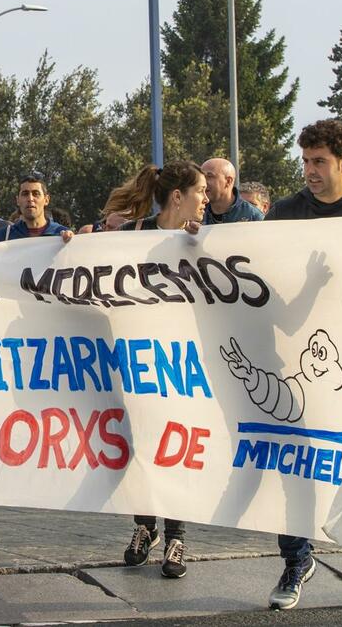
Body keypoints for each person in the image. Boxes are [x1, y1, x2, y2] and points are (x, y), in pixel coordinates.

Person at [260, 120, 342, 610]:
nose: (310, 171)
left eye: (319, 161)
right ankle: (296, 562)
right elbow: (258, 268)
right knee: (293, 467)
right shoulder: (286, 212)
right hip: (295, 357)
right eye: (306, 161)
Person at [112, 161, 205, 579]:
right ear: (178, 197)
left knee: (177, 449)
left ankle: (176, 537)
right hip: (137, 361)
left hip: (184, 364)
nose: (205, 199)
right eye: (200, 191)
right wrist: (68, 242)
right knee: (142, 448)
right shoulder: (132, 234)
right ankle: (145, 526)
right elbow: (84, 264)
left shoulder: (202, 239)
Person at [0, 173, 74, 242]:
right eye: (25, 194)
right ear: (18, 200)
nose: (30, 199)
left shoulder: (61, 234)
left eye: (36, 194)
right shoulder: (4, 235)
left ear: (46, 200)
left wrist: (70, 242)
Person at [200, 158, 264, 224]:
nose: (203, 182)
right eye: (202, 177)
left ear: (228, 181)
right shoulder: (196, 214)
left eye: (209, 176)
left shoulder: (253, 217)